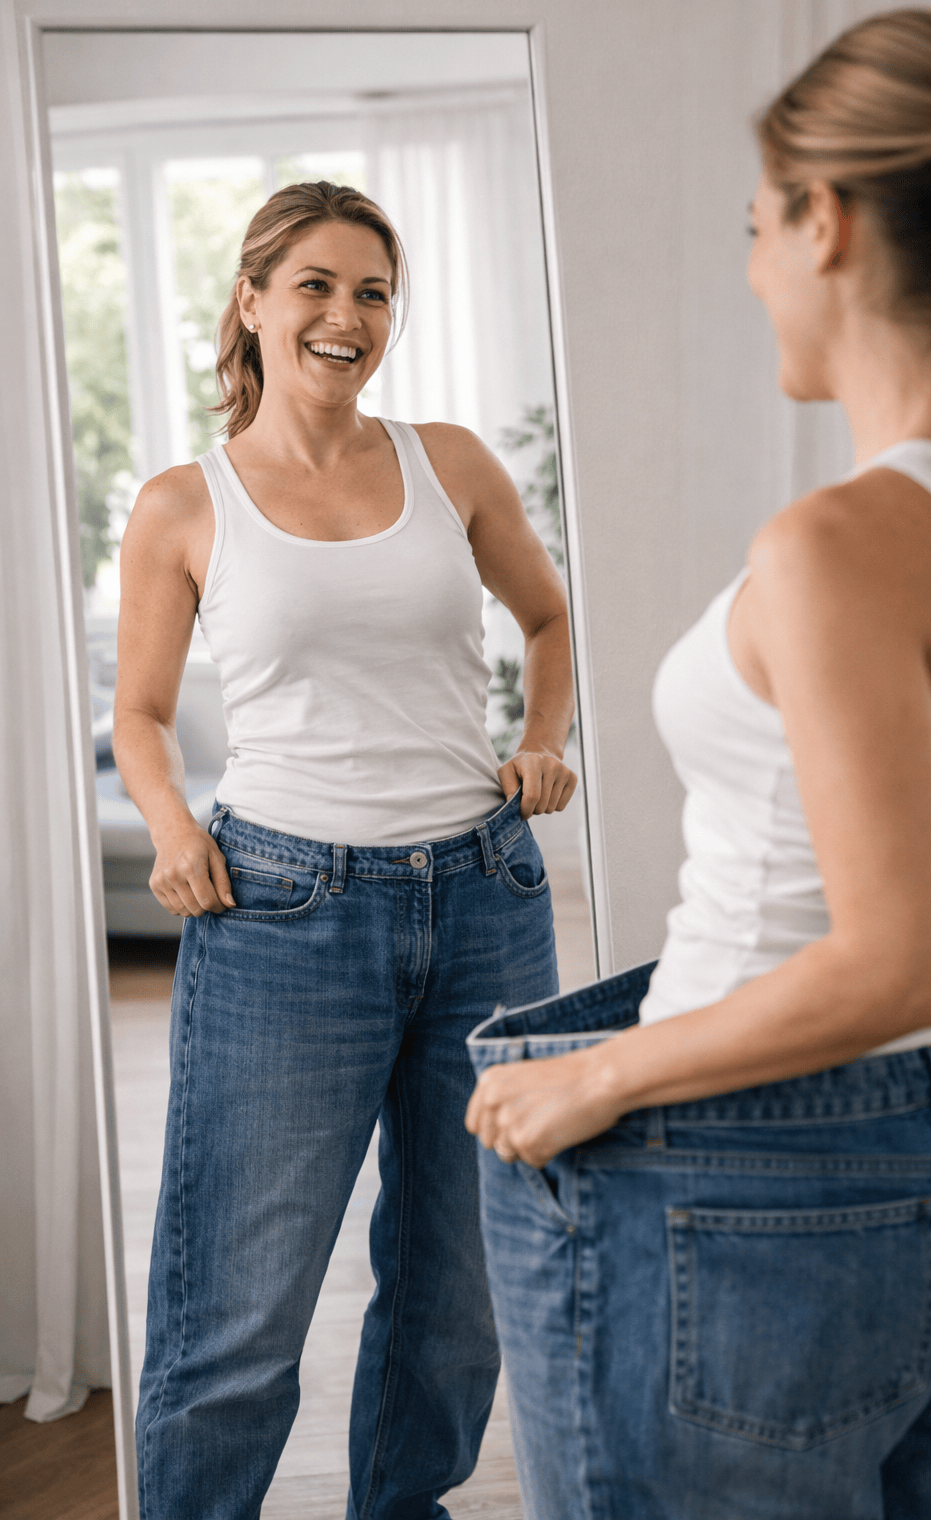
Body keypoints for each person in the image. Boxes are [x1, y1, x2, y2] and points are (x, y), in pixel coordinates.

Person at [466, 8, 931, 1519]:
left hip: (752, 1177)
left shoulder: (845, 542)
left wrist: (596, 1077)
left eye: (754, 226)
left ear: (823, 222)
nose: (754, 265)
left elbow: (895, 959)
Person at [116, 181, 576, 1520]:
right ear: (253, 302)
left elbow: (548, 619)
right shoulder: (183, 503)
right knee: (239, 1305)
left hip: (485, 898)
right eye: (314, 284)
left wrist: (543, 741)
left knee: (460, 1292)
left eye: (373, 291)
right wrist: (171, 824)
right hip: (282, 915)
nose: (346, 315)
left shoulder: (451, 463)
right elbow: (140, 715)